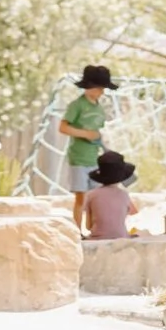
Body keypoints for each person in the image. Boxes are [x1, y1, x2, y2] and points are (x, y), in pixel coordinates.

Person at [58, 65, 114, 232]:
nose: (100, 91)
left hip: (94, 158)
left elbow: (98, 131)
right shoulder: (77, 105)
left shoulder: (99, 108)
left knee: (94, 197)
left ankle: (93, 229)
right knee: (81, 197)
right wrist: (85, 134)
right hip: (79, 158)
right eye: (98, 87)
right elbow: (63, 128)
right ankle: (77, 230)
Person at [82, 149, 136, 240]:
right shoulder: (124, 195)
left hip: (97, 238)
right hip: (121, 237)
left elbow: (88, 226)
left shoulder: (91, 195)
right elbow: (129, 215)